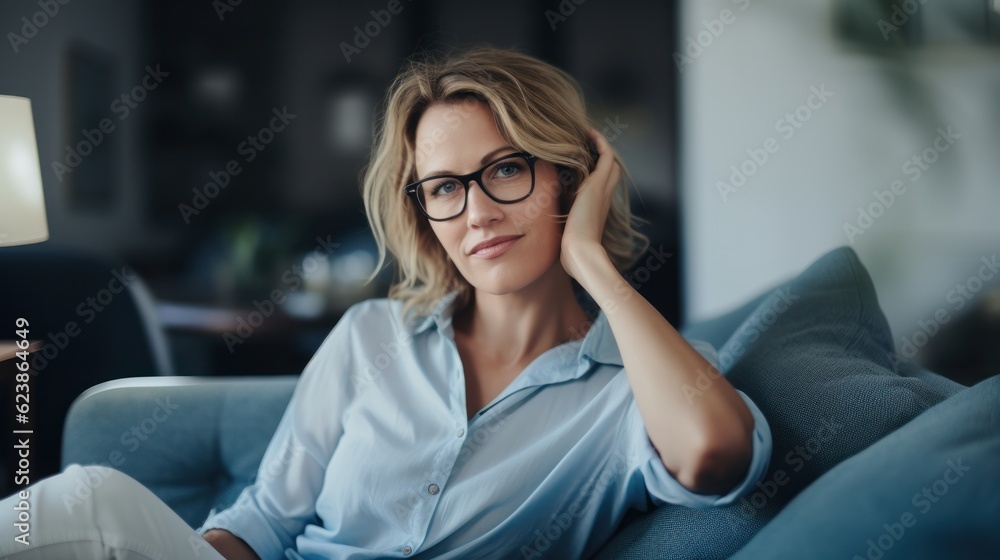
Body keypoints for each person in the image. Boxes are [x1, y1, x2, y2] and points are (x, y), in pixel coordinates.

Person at [0, 46, 771, 560]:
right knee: (92, 506)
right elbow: (269, 517)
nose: (477, 213)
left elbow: (715, 454)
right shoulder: (370, 334)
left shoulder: (636, 385)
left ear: (570, 178)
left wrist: (592, 262)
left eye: (507, 170)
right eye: (444, 187)